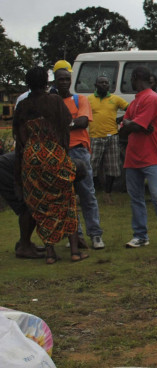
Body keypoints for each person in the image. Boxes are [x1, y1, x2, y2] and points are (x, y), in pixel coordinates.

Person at [13, 67, 86, 264]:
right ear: (47, 82)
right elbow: (65, 129)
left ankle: (51, 254)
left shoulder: (23, 106)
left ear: (28, 83)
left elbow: (20, 139)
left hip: (31, 158)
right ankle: (74, 252)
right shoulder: (54, 101)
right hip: (54, 155)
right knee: (66, 201)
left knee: (41, 204)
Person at [120, 65, 157, 253]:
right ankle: (140, 236)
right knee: (136, 198)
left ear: (137, 78)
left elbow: (134, 125)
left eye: (131, 78)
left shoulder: (152, 98)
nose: (130, 82)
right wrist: (132, 124)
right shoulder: (136, 101)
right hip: (133, 156)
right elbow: (124, 126)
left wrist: (133, 124)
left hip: (151, 156)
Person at [54, 65, 105, 250]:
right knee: (66, 196)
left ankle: (96, 235)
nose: (65, 82)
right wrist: (71, 123)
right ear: (55, 81)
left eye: (68, 79)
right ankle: (77, 236)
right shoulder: (52, 102)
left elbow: (83, 122)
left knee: (87, 193)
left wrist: (62, 125)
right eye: (61, 79)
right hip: (59, 152)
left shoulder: (79, 99)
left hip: (79, 150)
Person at [88, 75, 128, 204]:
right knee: (91, 167)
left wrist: (121, 119)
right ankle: (88, 193)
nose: (105, 85)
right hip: (95, 137)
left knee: (112, 167)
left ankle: (107, 194)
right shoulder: (89, 100)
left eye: (106, 83)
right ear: (96, 85)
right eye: (101, 83)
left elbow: (130, 109)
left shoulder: (115, 99)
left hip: (112, 136)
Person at [0, 151, 45, 259]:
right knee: (28, 206)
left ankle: (24, 243)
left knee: (31, 205)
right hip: (5, 171)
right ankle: (24, 247)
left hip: (12, 170)